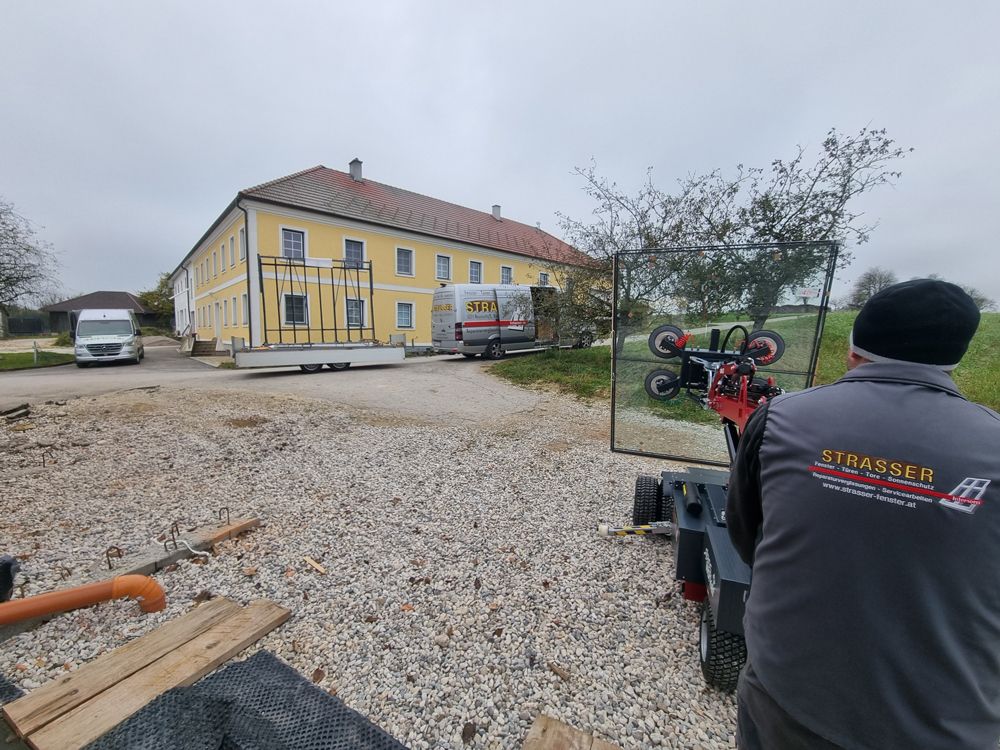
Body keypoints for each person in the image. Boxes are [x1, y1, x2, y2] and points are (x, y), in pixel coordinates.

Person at [726, 278, 999, 750]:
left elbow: (747, 535)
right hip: (948, 723)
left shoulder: (779, 418)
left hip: (785, 698)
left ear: (853, 350)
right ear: (956, 359)